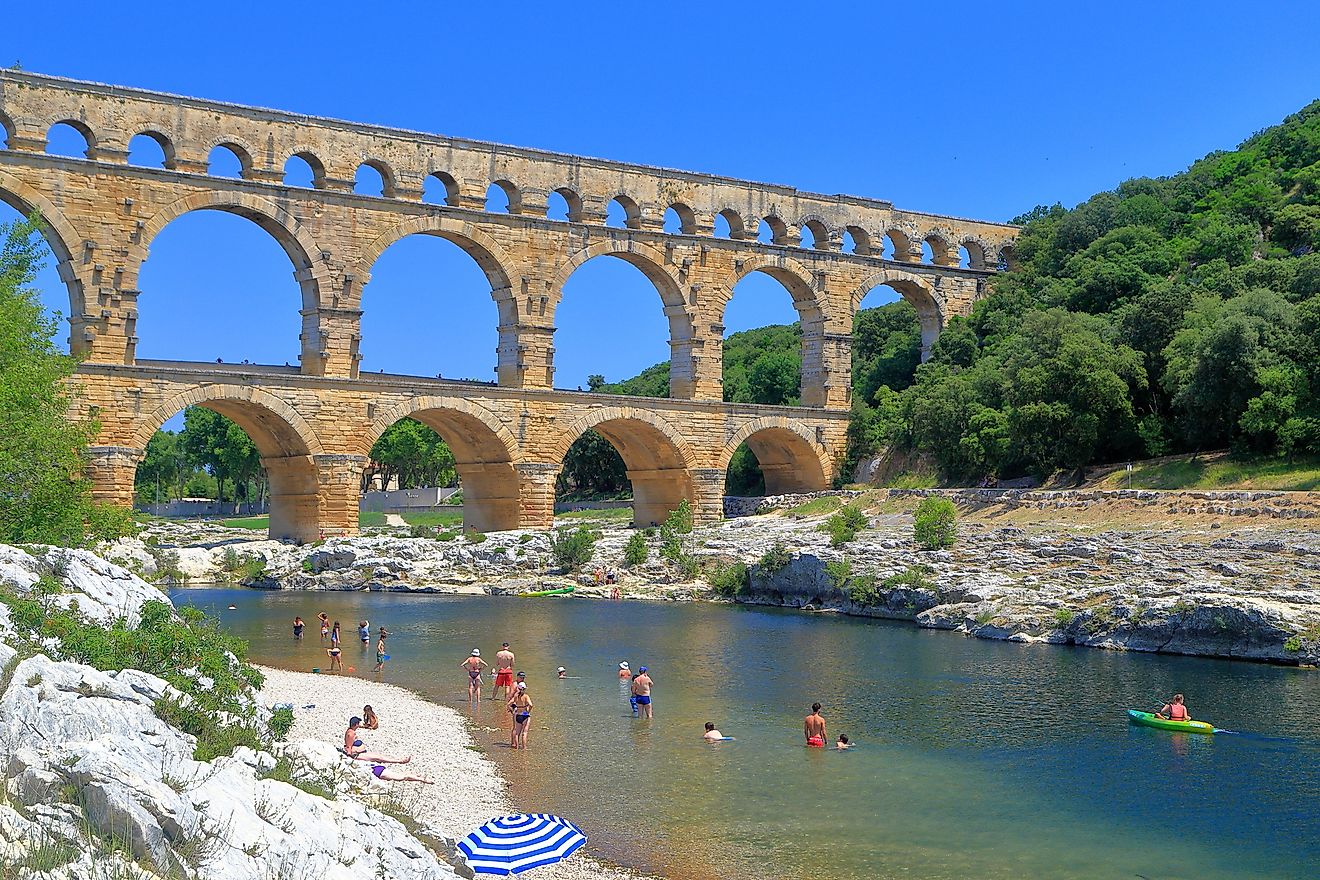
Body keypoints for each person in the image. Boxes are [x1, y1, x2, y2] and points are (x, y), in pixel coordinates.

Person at [342, 716, 411, 763]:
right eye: (358, 723)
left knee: (379, 756)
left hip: (359, 753)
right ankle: (399, 761)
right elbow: (349, 746)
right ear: (356, 724)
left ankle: (398, 759)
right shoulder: (351, 734)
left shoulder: (350, 730)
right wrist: (350, 756)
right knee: (379, 757)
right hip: (357, 755)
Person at [510, 682, 534, 749]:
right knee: (524, 733)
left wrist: (513, 710)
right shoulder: (526, 696)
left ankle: (516, 748)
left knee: (517, 733)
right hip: (525, 714)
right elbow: (531, 705)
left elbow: (513, 704)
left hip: (518, 715)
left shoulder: (516, 696)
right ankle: (524, 748)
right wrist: (528, 711)